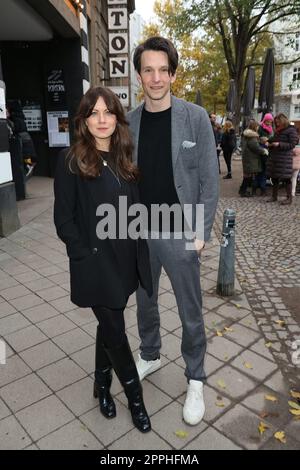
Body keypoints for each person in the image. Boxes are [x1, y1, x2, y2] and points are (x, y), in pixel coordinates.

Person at [127, 36, 219, 426]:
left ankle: (195, 376)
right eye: (148, 69)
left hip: (182, 232)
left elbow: (210, 181)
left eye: (163, 69)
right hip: (138, 231)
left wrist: (201, 233)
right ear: (139, 75)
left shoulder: (195, 117)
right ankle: (149, 353)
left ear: (173, 73)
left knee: (189, 308)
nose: (156, 77)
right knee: (145, 302)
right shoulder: (129, 121)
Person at [53, 86, 153, 433]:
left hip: (124, 260)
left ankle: (100, 385)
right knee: (115, 329)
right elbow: (63, 220)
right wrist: (85, 255)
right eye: (93, 112)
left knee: (108, 323)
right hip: (97, 264)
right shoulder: (71, 160)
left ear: (117, 117)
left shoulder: (125, 157)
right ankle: (135, 398)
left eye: (108, 111)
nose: (101, 119)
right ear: (83, 119)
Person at [267, 113, 298, 205]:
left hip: (285, 158)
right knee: (275, 177)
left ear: (283, 121)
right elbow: (274, 139)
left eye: (278, 122)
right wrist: (268, 141)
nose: (277, 123)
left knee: (286, 178)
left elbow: (292, 144)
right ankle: (274, 196)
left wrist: (279, 144)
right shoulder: (278, 131)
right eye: (276, 122)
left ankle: (289, 198)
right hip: (276, 157)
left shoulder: (291, 130)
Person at [239, 120, 268, 197]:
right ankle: (243, 191)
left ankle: (242, 190)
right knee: (248, 176)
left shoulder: (246, 135)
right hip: (251, 158)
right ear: (255, 127)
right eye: (257, 126)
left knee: (247, 175)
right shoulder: (252, 137)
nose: (258, 128)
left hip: (247, 157)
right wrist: (264, 151)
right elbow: (256, 147)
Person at [255, 113, 274, 195]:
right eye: (268, 121)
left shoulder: (271, 128)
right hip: (262, 150)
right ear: (265, 120)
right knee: (261, 170)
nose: (269, 122)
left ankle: (261, 188)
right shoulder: (260, 127)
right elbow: (257, 139)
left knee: (263, 170)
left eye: (270, 121)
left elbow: (272, 137)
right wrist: (262, 140)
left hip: (268, 149)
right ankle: (260, 187)